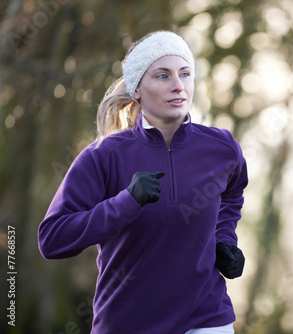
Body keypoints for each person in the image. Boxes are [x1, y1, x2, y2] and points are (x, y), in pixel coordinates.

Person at [38, 31, 248, 334]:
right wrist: (126, 202)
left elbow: (231, 195)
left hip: (206, 318)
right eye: (162, 76)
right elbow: (52, 239)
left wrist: (225, 240)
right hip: (127, 323)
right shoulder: (103, 157)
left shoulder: (221, 148)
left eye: (185, 74)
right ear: (137, 89)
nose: (178, 86)